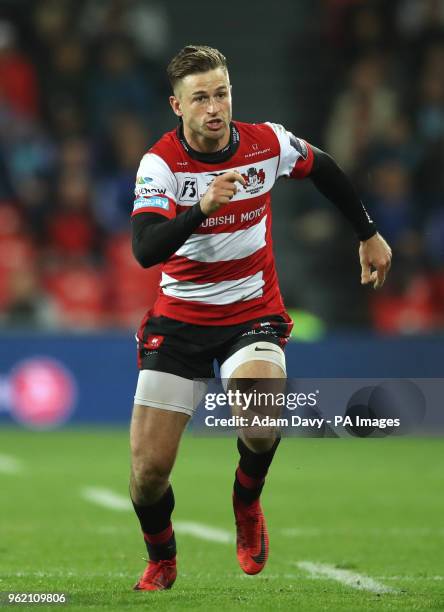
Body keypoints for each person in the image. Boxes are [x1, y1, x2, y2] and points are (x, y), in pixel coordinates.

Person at [129, 45, 392, 591]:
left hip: (252, 312)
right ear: (177, 106)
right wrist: (199, 210)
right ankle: (163, 556)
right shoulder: (160, 164)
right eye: (199, 98)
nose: (213, 107)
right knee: (148, 475)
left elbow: (326, 168)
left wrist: (367, 233)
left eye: (220, 93)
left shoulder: (265, 143)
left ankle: (246, 504)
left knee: (262, 409)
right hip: (179, 322)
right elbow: (145, 249)